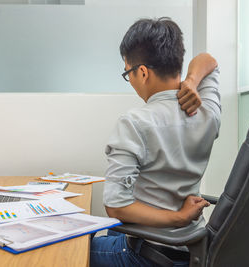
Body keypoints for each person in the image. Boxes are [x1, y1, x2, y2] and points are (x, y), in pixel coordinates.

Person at [90, 17, 221, 267]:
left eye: (128, 73)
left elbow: (116, 206)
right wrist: (192, 81)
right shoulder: (208, 114)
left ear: (142, 72)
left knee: (72, 248)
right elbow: (210, 62)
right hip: (193, 248)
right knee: (110, 232)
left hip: (146, 254)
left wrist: (177, 218)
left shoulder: (135, 122)